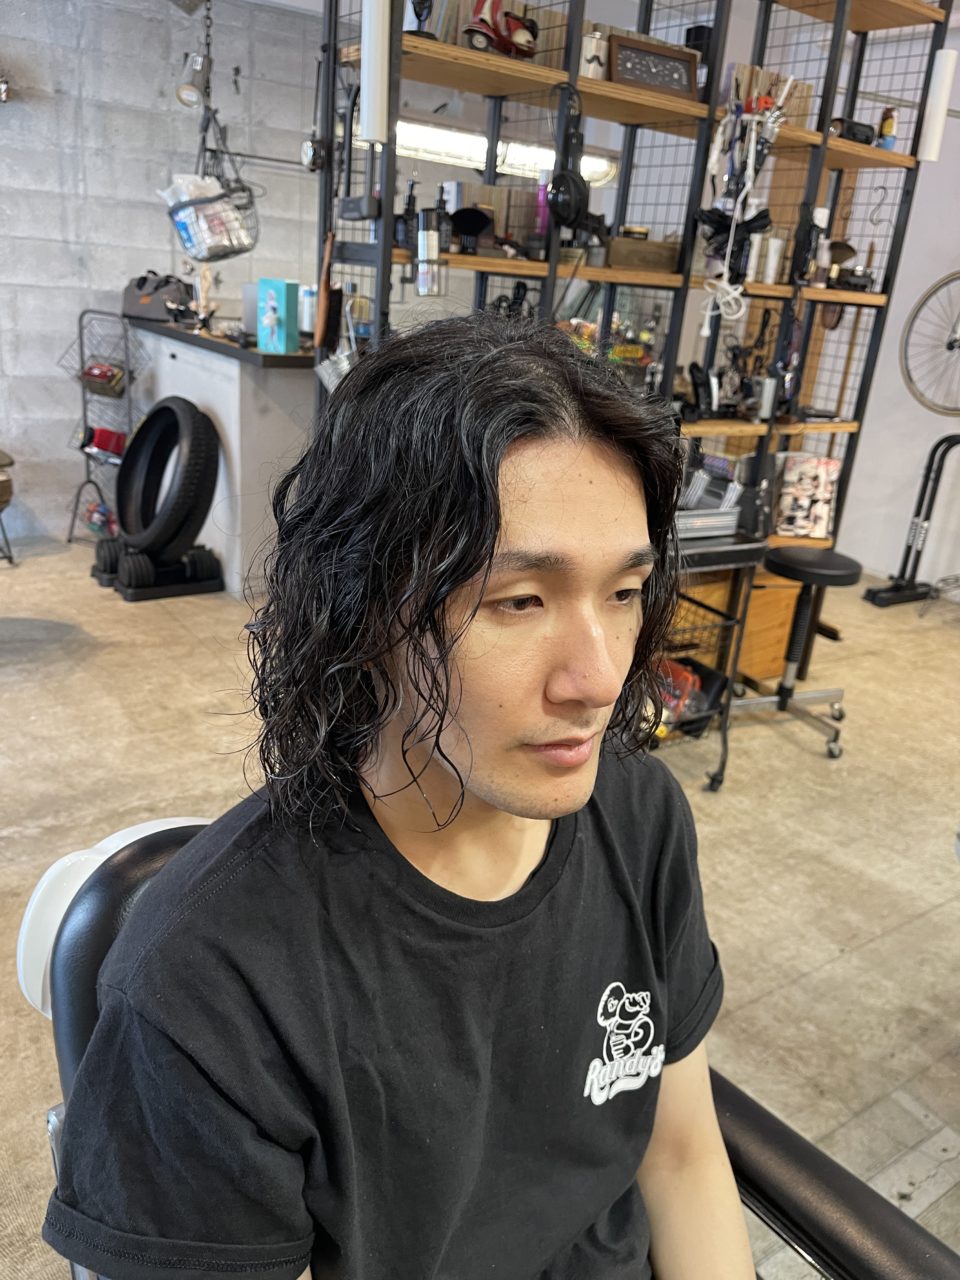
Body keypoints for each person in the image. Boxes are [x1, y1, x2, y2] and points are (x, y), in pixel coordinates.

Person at [43, 314, 754, 1280]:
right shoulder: (210, 984)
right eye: (519, 601)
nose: (597, 678)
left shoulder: (640, 816)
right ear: (363, 608)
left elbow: (679, 1158)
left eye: (623, 593)